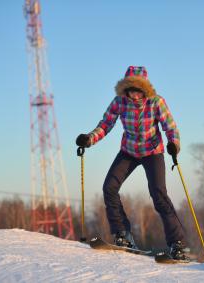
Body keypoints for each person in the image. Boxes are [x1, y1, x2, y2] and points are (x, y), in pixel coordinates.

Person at [76, 66, 187, 260]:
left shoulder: (156, 102)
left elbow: (170, 127)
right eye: (130, 90)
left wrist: (174, 145)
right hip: (129, 151)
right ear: (124, 89)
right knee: (109, 187)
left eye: (138, 90)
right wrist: (89, 139)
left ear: (145, 90)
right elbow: (105, 124)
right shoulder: (119, 102)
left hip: (153, 151)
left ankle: (177, 244)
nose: (134, 95)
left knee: (158, 194)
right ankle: (122, 235)